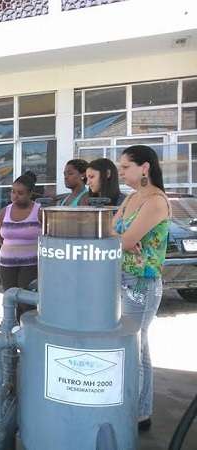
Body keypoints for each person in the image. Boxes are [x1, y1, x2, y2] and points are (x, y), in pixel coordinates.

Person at [113, 145, 170, 432]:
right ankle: (138, 411)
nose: (121, 172)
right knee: (136, 346)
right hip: (122, 277)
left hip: (142, 283)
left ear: (144, 167)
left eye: (125, 167)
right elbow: (111, 231)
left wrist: (123, 239)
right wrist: (122, 238)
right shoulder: (131, 198)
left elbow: (122, 239)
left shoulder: (156, 201)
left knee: (135, 347)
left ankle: (135, 413)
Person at [0, 171, 41, 321]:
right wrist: (11, 249)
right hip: (7, 264)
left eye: (20, 193)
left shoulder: (39, 211)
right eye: (13, 192)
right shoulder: (5, 211)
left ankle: (26, 329)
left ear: (30, 194)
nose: (15, 196)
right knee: (10, 299)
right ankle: (11, 328)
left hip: (30, 264)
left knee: (26, 302)